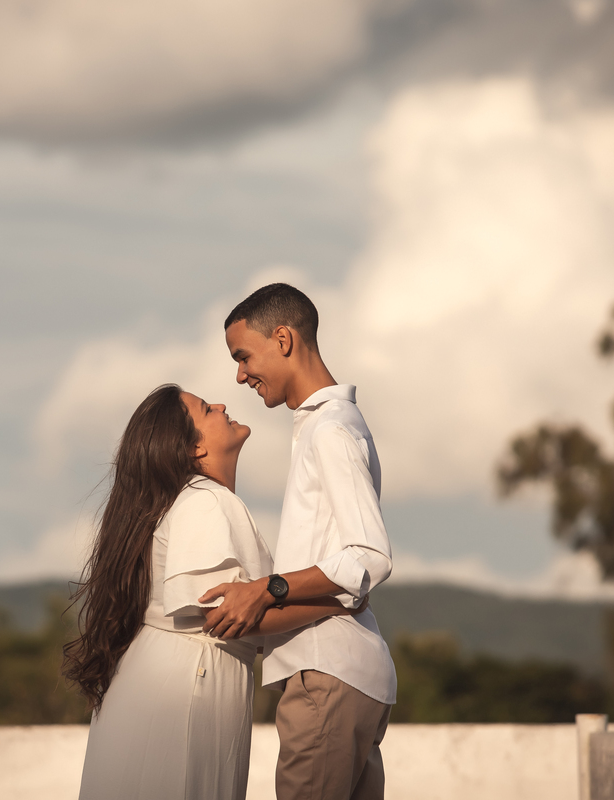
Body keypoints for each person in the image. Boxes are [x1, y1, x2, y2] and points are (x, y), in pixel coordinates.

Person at [64, 384, 365, 800]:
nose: (222, 405)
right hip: (183, 693)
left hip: (161, 686)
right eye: (207, 409)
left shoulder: (184, 503)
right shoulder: (205, 500)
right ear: (194, 450)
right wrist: (338, 599)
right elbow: (226, 618)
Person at [199, 283, 397, 800]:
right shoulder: (326, 426)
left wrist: (268, 589)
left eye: (243, 356)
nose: (239, 375)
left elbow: (370, 556)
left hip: (325, 674)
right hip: (342, 673)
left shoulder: (329, 429)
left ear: (283, 339)